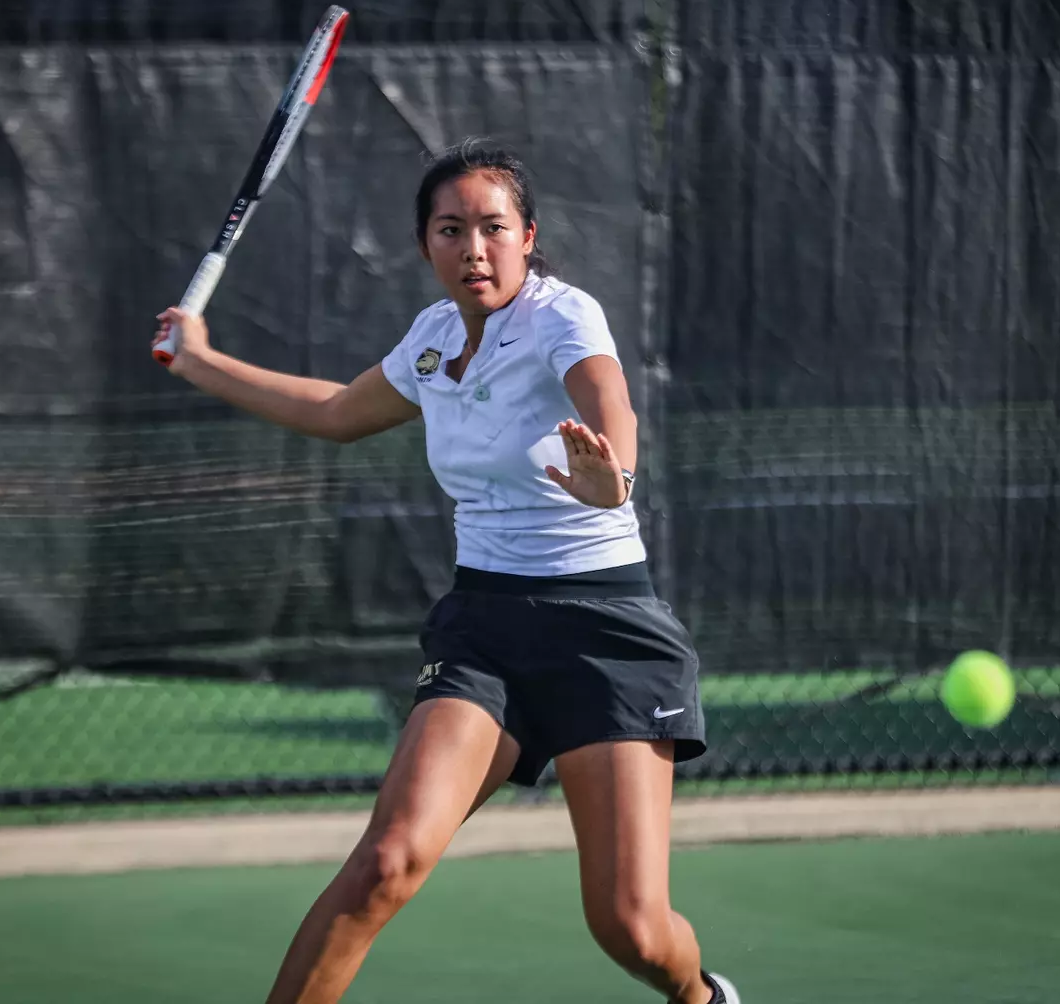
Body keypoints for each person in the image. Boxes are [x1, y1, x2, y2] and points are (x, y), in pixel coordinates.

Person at [153, 139, 742, 1004]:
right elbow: (338, 411)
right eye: (451, 228)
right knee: (386, 863)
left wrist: (609, 473)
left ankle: (701, 998)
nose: (474, 247)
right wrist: (201, 361)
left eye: (494, 227)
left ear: (528, 235)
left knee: (633, 928)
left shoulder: (563, 315)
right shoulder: (432, 340)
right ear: (425, 244)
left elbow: (609, 406)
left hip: (605, 632)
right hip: (485, 631)